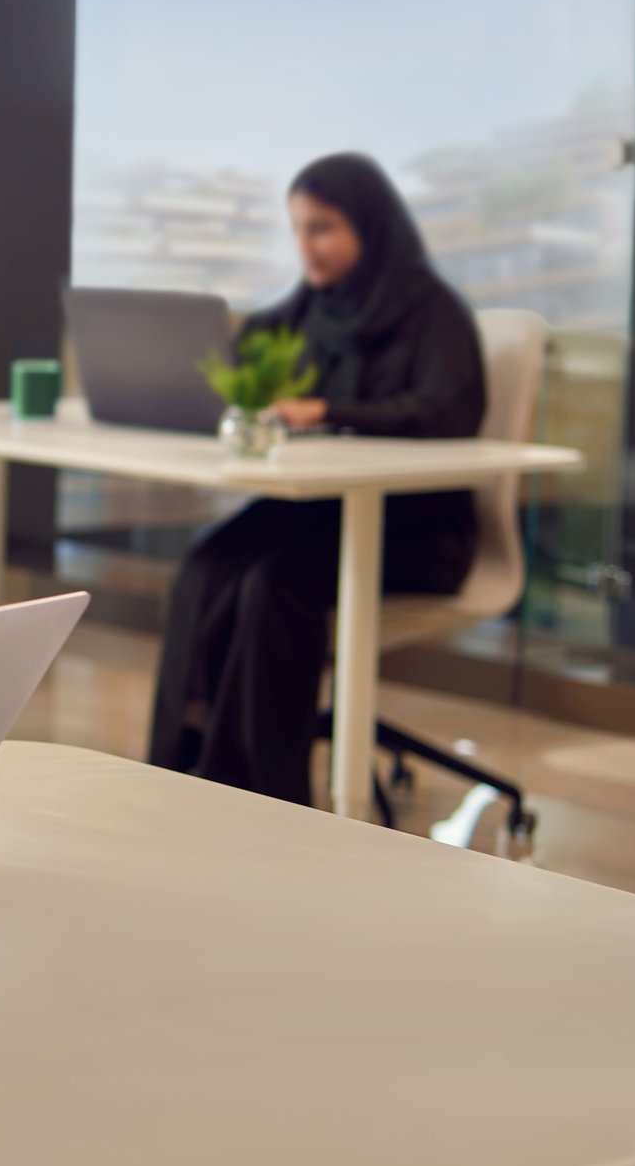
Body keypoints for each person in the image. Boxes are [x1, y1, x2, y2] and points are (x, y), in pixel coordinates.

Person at [146, 152, 485, 806]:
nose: (307, 245)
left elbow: (449, 410)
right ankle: (178, 773)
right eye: (298, 228)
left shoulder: (433, 312)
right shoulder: (308, 312)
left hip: (416, 531)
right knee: (205, 568)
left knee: (273, 585)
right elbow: (249, 359)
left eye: (323, 227)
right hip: (313, 518)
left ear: (371, 225)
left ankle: (261, 799)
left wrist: (329, 411)